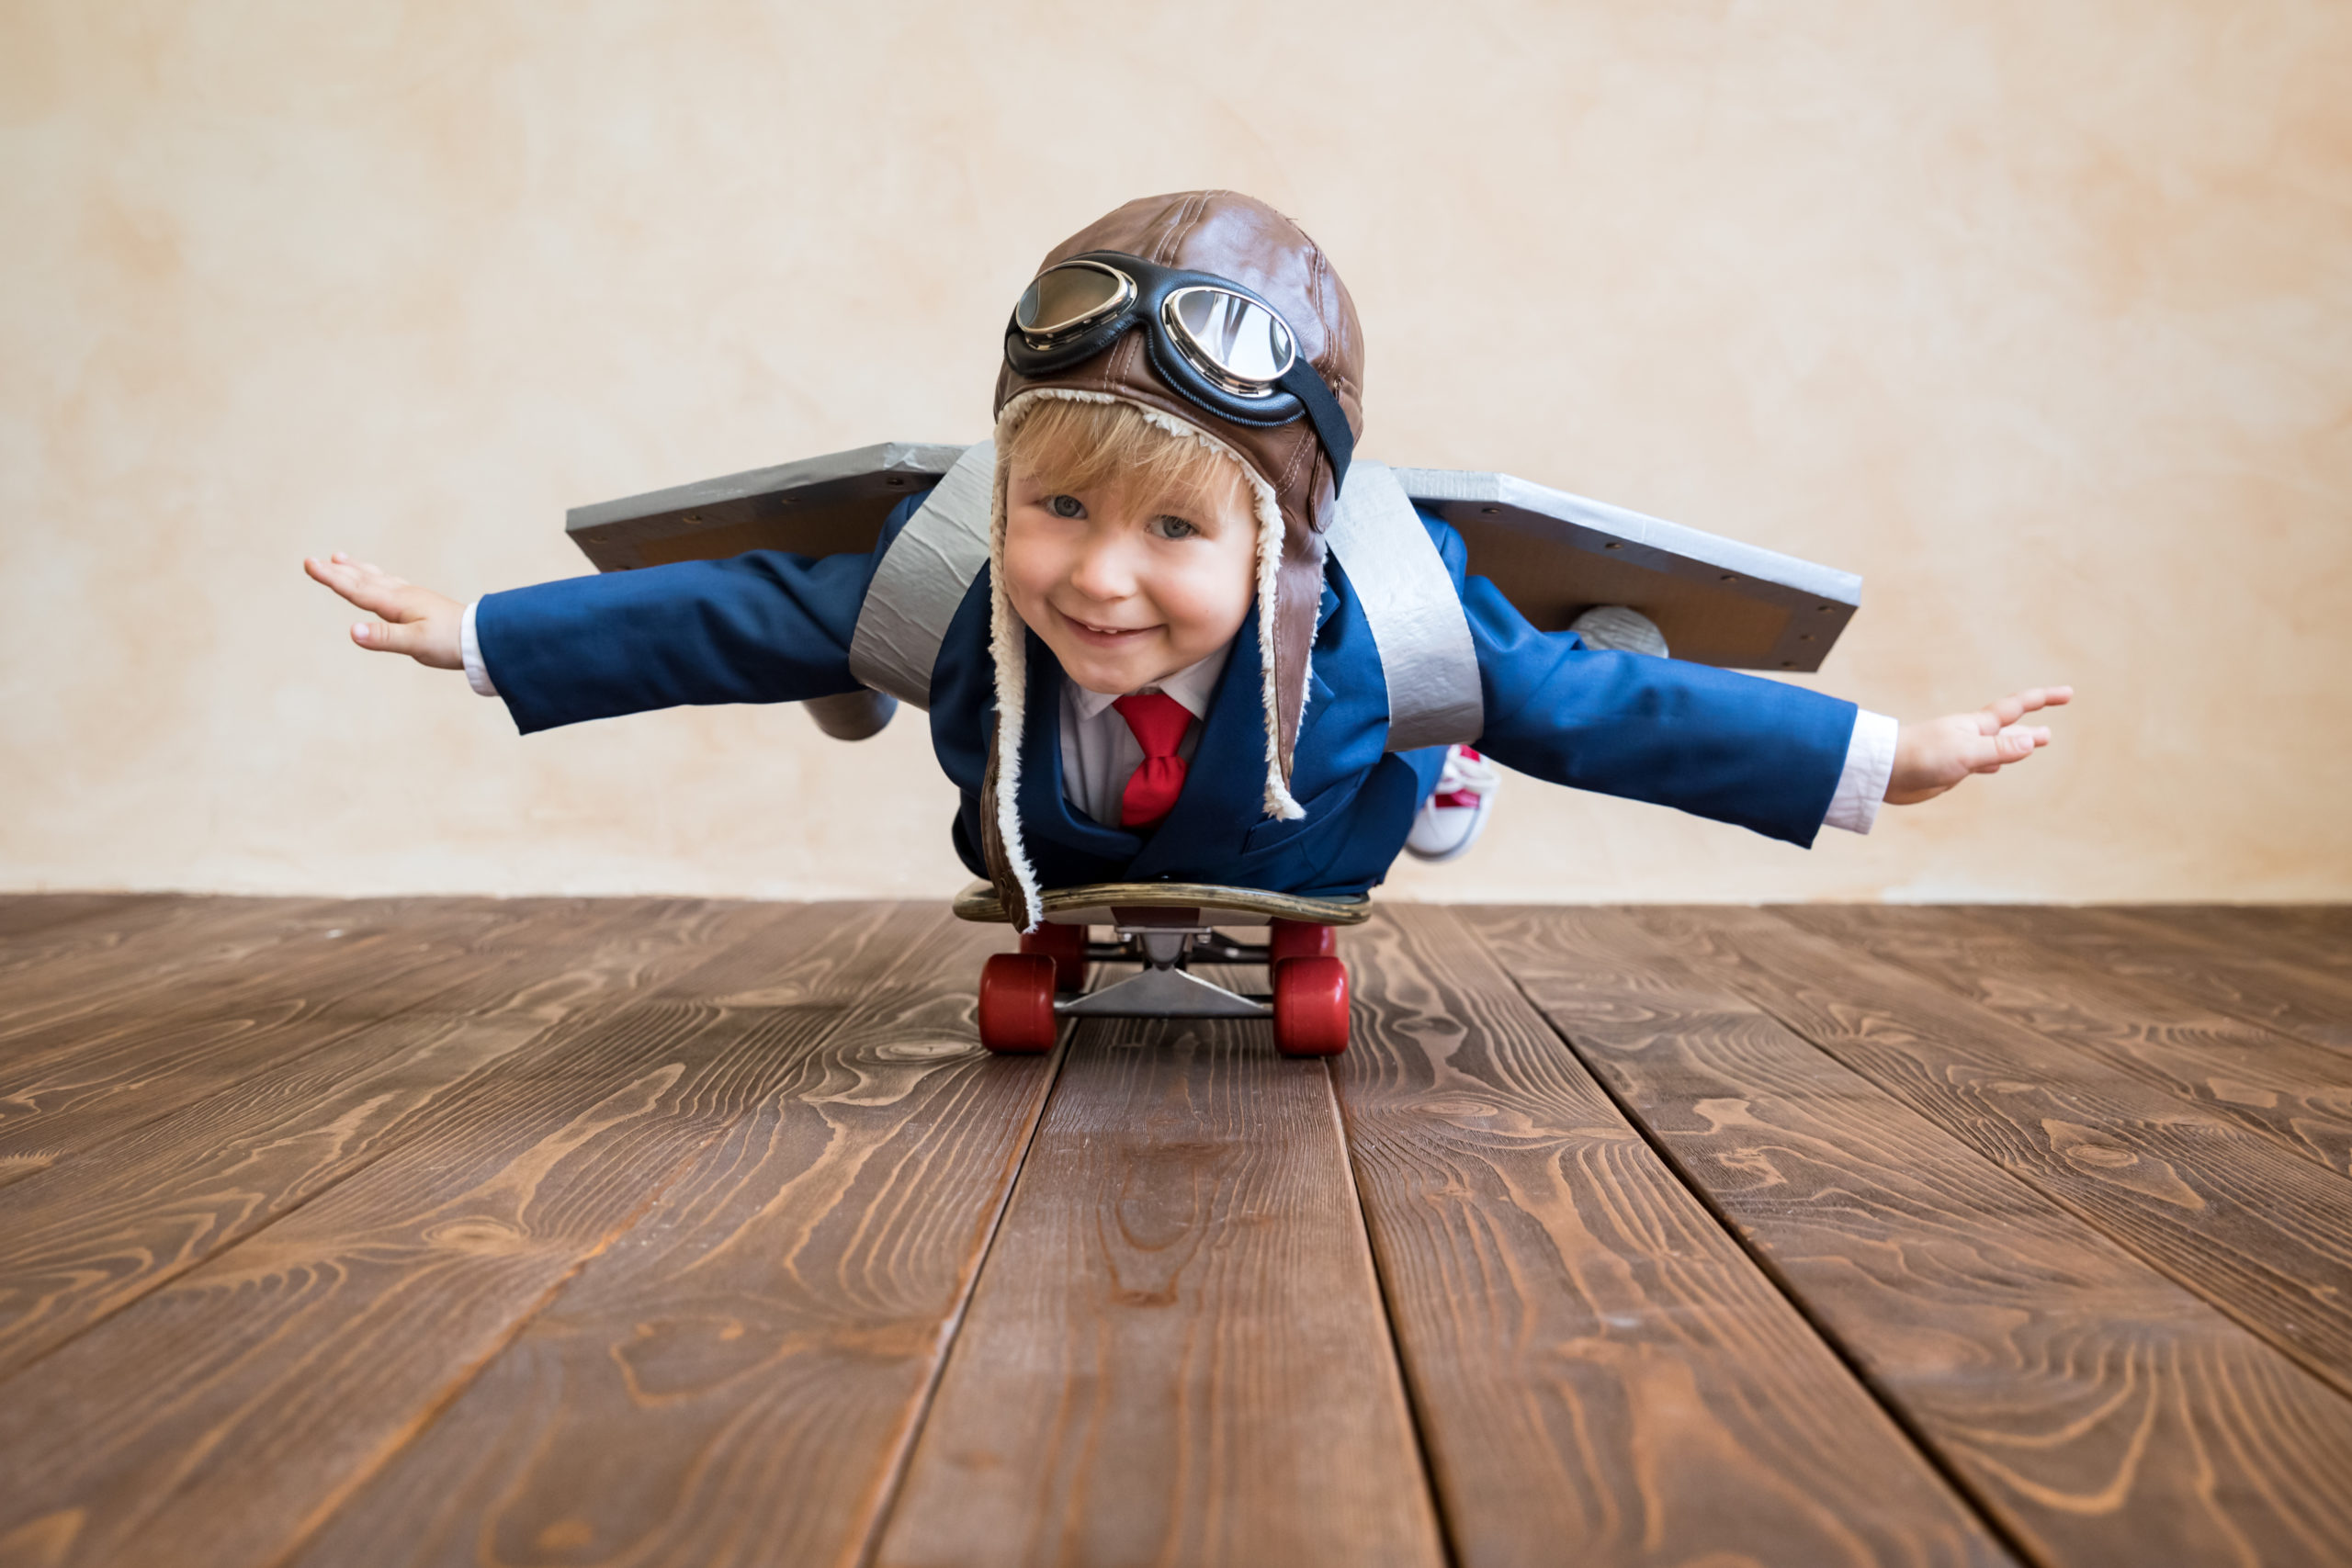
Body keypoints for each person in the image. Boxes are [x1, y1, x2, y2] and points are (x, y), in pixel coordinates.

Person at [306, 190, 2068, 926]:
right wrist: (478, 631)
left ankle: (1437, 777)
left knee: (1493, 697)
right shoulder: (957, 583)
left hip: (1324, 809)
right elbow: (730, 617)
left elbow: (1622, 712)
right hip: (1061, 849)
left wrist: (1889, 759)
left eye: (1171, 530)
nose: (1097, 581)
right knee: (842, 642)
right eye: (1057, 510)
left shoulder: (1385, 620)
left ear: (1282, 535)